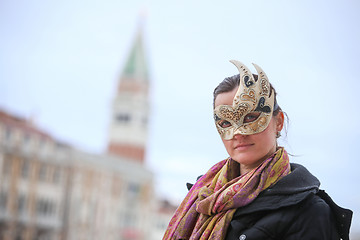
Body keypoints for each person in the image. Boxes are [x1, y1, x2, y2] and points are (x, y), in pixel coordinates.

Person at [162, 60, 352, 240]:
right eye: (226, 122)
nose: (238, 133)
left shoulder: (310, 212)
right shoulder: (201, 197)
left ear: (278, 122)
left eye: (251, 117)